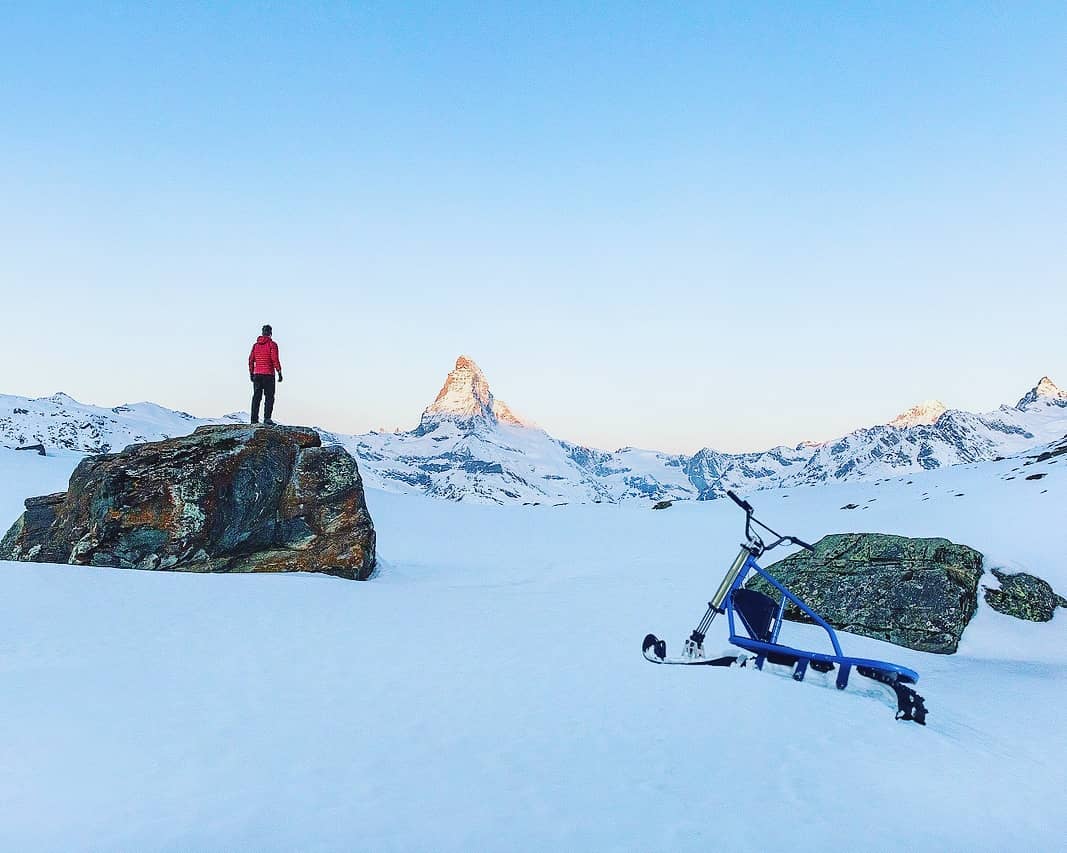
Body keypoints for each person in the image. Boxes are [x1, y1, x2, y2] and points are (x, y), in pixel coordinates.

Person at [248, 324, 283, 424]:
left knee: (256, 397)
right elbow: (274, 359)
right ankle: (267, 418)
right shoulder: (272, 345)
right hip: (268, 375)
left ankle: (253, 420)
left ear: (262, 332)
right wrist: (279, 372)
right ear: (270, 333)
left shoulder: (255, 346)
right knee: (269, 397)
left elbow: (251, 360)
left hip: (257, 374)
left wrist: (251, 372)